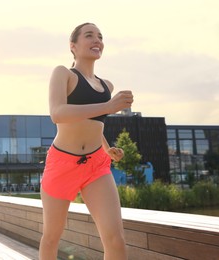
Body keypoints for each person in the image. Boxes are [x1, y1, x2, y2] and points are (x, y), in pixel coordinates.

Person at [39, 23, 134, 260]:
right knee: (52, 237)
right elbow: (58, 113)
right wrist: (109, 106)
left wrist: (107, 148)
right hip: (62, 164)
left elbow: (93, 123)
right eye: (89, 35)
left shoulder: (106, 86)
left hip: (97, 165)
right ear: (73, 46)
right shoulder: (64, 74)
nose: (97, 40)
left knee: (116, 240)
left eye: (100, 37)